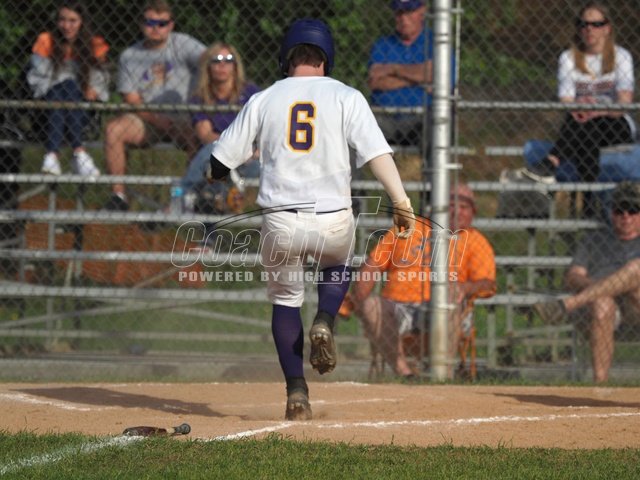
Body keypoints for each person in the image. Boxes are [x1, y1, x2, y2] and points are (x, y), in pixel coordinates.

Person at [207, 19, 416, 420]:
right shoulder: (346, 96)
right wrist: (401, 201)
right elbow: (376, 154)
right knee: (338, 263)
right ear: (326, 58)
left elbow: (219, 162)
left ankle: (296, 393)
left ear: (286, 57)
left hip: (280, 220)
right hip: (333, 218)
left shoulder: (265, 98)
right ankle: (325, 318)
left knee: (286, 301)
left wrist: (213, 172)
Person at [344, 183, 496, 379]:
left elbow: (487, 283)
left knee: (450, 300)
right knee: (372, 305)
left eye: (464, 207)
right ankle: (405, 374)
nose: (457, 211)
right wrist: (358, 301)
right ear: (439, 207)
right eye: (451, 205)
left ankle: (444, 376)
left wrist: (464, 288)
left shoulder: (475, 241)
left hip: (446, 308)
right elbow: (373, 265)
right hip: (398, 308)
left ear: (473, 212)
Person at [525, 2, 635, 216]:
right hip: (582, 124)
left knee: (589, 126)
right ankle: (589, 205)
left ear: (607, 28)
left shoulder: (621, 56)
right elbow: (566, 100)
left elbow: (623, 103)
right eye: (583, 24)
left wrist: (597, 111)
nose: (589, 29)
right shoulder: (568, 57)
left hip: (614, 123)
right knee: (587, 130)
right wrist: (579, 109)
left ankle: (553, 159)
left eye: (596, 24)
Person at [103, 0, 205, 210]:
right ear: (141, 24)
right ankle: (118, 196)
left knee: (197, 135)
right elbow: (131, 99)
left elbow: (211, 61)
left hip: (184, 119)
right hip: (147, 120)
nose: (156, 28)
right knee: (114, 129)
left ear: (171, 25)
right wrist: (158, 120)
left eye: (162, 23)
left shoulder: (183, 43)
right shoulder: (129, 56)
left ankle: (186, 198)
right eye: (150, 22)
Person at [534, 181, 640, 383]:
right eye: (620, 210)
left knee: (637, 268)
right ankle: (600, 384)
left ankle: (567, 305)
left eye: (633, 210)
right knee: (602, 303)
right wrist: (602, 288)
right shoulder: (595, 240)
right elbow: (573, 277)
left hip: (636, 306)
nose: (626, 216)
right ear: (611, 213)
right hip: (601, 308)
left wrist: (612, 286)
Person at [27, 1, 108, 177]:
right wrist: (65, 82)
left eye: (73, 21)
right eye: (62, 20)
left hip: (81, 112)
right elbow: (38, 80)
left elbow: (99, 82)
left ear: (82, 22)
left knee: (69, 87)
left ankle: (51, 155)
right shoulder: (46, 40)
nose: (66, 26)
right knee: (65, 86)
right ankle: (79, 152)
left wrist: (91, 89)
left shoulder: (95, 44)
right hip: (47, 111)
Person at [181, 42, 260, 215]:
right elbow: (206, 135)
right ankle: (191, 204)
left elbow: (263, 131)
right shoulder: (200, 98)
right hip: (218, 158)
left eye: (228, 59)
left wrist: (250, 151)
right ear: (208, 66)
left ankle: (183, 197)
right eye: (216, 60)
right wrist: (236, 148)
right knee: (212, 152)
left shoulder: (250, 93)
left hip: (250, 159)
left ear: (235, 65)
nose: (222, 65)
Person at [367, 0, 433, 147]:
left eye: (409, 11)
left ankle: (434, 164)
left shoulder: (435, 42)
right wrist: (419, 78)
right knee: (357, 127)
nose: (403, 18)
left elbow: (436, 75)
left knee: (435, 124)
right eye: (399, 12)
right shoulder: (383, 44)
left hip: (422, 118)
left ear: (422, 11)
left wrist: (393, 69)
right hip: (385, 117)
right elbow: (375, 81)